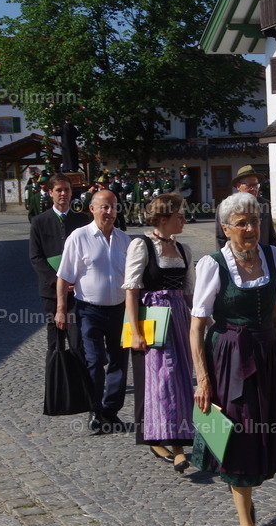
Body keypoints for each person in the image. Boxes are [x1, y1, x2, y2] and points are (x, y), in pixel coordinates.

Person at [191, 191, 276, 526]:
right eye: (242, 223)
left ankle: (248, 502)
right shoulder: (212, 264)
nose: (251, 229)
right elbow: (197, 325)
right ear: (225, 229)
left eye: (255, 221)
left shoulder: (272, 255)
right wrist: (202, 378)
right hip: (230, 358)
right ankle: (245, 525)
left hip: (267, 354)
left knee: (263, 432)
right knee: (238, 435)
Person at [124, 193, 195, 471]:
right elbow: (131, 290)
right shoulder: (141, 245)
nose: (184, 219)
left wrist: (204, 324)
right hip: (152, 316)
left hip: (179, 317)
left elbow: (190, 294)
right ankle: (163, 441)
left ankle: (177, 441)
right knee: (159, 379)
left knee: (180, 378)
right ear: (164, 218)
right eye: (179, 215)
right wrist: (136, 330)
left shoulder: (184, 250)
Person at [55, 190, 132, 434]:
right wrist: (60, 309)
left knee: (120, 363)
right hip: (89, 310)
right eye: (104, 207)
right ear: (92, 209)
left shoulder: (125, 240)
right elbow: (64, 275)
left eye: (113, 207)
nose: (109, 212)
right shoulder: (79, 237)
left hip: (119, 310)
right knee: (95, 360)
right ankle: (95, 410)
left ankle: (111, 411)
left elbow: (133, 280)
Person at [29, 173, 92, 379]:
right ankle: (56, 381)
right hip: (50, 292)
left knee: (77, 339)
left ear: (72, 192)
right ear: (50, 193)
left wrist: (77, 279)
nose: (63, 194)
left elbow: (90, 254)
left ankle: (80, 382)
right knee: (55, 339)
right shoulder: (39, 221)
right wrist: (57, 280)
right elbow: (36, 257)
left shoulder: (83, 220)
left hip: (78, 290)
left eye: (66, 190)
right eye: (59, 190)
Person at [214, 166, 276, 251]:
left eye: (256, 185)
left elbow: (272, 237)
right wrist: (223, 262)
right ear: (238, 186)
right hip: (237, 257)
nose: (254, 189)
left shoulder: (265, 204)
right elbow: (220, 238)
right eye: (250, 185)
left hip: (263, 256)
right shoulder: (225, 207)